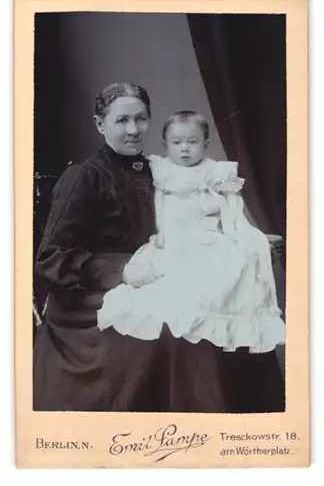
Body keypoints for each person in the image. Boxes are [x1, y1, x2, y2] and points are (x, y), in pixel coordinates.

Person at [34, 84, 285, 413]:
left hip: (162, 272)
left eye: (140, 119)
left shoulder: (160, 171)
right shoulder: (84, 177)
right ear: (99, 123)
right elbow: (51, 258)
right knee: (182, 332)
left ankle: (252, 427)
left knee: (233, 305)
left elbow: (191, 228)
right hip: (92, 297)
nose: (134, 130)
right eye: (122, 120)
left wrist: (246, 244)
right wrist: (122, 272)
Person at [98, 110, 286, 355]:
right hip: (172, 239)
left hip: (207, 238)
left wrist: (243, 236)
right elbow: (155, 207)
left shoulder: (216, 173)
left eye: (193, 142)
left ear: (205, 144)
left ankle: (210, 324)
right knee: (158, 289)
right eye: (177, 143)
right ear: (166, 144)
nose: (184, 149)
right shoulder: (160, 170)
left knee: (224, 274)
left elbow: (232, 210)